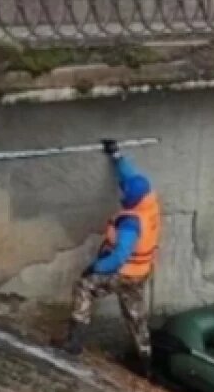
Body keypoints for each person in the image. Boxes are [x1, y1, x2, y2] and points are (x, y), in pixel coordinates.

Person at [60, 139, 161, 374]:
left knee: (84, 287)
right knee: (135, 314)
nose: (122, 191)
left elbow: (119, 256)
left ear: (131, 198)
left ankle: (74, 342)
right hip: (141, 272)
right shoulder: (149, 201)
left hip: (122, 271)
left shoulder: (130, 223)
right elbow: (130, 176)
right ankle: (146, 362)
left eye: (125, 192)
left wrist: (96, 267)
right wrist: (116, 156)